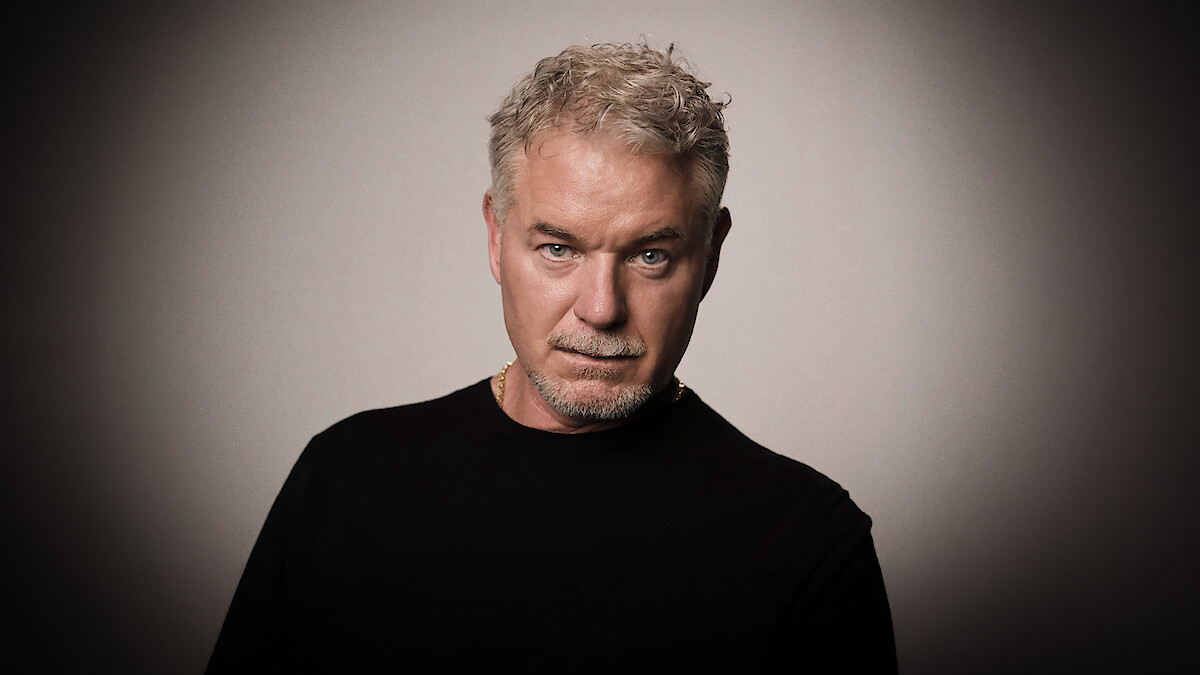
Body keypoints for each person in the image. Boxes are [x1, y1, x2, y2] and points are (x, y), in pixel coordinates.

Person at [207, 42, 896, 673]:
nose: (600, 308)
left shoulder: (806, 542)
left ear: (710, 256)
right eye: (558, 249)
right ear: (496, 237)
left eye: (650, 255)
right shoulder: (345, 480)